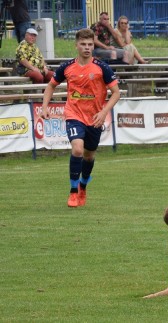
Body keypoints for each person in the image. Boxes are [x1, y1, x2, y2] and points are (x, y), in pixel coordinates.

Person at [40, 28, 121, 207]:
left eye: (90, 44)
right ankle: (73, 191)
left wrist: (103, 112)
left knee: (89, 156)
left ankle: (83, 186)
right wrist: (45, 106)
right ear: (76, 45)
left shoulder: (102, 68)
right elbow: (50, 86)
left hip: (94, 118)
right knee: (77, 149)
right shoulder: (67, 67)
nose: (87, 47)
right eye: (83, 44)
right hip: (73, 114)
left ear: (93, 46)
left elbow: (116, 93)